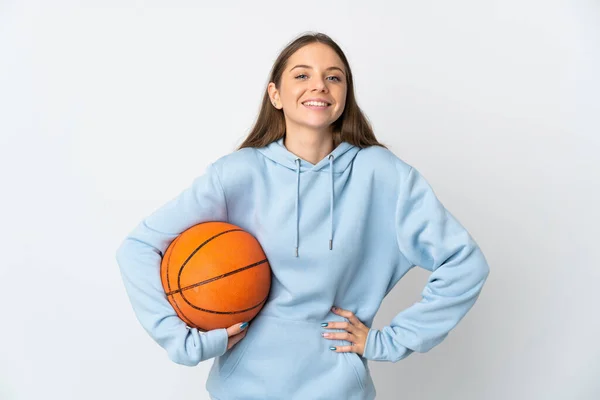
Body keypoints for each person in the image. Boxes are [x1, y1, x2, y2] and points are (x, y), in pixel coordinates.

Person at [115, 32, 490, 400]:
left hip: (339, 391)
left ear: (345, 95)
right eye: (301, 75)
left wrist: (389, 341)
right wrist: (180, 341)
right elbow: (138, 247)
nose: (319, 86)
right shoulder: (237, 174)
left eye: (333, 77)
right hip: (242, 390)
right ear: (275, 94)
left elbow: (464, 263)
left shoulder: (383, 175)